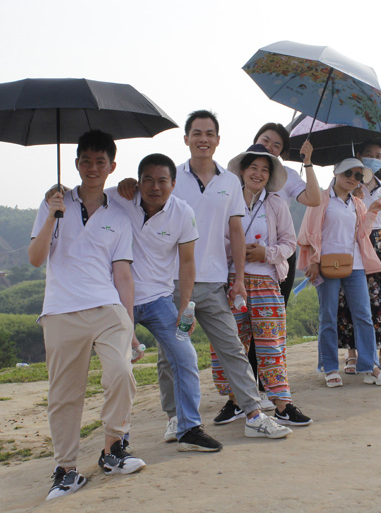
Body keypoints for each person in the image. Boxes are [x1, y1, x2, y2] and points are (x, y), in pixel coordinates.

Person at [118, 110, 291, 439]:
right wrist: (128, 185)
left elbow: (236, 231)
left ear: (218, 140)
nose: (203, 139)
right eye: (197, 133)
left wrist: (238, 278)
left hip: (212, 280)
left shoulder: (229, 181)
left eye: (209, 133)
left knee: (231, 347)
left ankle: (253, 414)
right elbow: (138, 195)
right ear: (186, 139)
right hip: (167, 282)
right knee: (171, 355)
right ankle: (175, 417)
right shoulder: (170, 177)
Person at [29, 131, 145, 501]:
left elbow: (123, 274)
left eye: (100, 162)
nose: (92, 168)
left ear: (111, 166)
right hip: (61, 309)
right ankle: (65, 470)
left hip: (107, 306)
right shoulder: (54, 204)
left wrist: (130, 327)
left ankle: (113, 448)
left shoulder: (119, 214)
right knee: (64, 395)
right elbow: (35, 258)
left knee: (122, 373)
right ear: (77, 164)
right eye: (86, 161)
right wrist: (52, 214)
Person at [107, 153, 222, 452]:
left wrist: (185, 305)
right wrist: (51, 194)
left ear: (173, 183)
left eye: (162, 180)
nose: (154, 187)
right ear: (138, 180)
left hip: (159, 299)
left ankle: (189, 429)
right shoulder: (121, 199)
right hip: (118, 300)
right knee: (120, 369)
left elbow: (187, 263)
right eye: (147, 179)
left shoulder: (183, 213)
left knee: (185, 357)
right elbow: (84, 198)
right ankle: (118, 440)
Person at [211, 144, 312, 426]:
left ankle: (282, 405)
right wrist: (239, 251)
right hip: (231, 281)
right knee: (231, 344)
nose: (258, 174)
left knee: (271, 344)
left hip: (266, 281)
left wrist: (265, 253)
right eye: (253, 168)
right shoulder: (226, 202)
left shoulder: (276, 204)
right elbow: (215, 240)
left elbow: (290, 244)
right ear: (242, 171)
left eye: (264, 170)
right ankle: (236, 402)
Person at [298, 157, 381, 388]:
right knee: (328, 316)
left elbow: (362, 233)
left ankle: (369, 366)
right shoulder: (320, 199)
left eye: (358, 176)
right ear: (336, 173)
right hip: (326, 263)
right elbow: (310, 231)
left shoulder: (357, 204)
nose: (353, 179)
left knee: (364, 316)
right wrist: (314, 260)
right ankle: (330, 367)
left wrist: (371, 213)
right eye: (348, 173)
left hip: (355, 264)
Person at [249, 123, 321, 409]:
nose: (269, 147)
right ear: (255, 139)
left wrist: (308, 163)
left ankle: (265, 387)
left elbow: (315, 199)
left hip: (279, 256)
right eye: (265, 140)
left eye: (277, 146)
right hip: (241, 258)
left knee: (268, 325)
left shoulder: (288, 176)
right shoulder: (239, 170)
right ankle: (240, 390)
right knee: (242, 327)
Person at [337, 141, 381, 374]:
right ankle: (351, 353)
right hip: (351, 242)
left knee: (380, 298)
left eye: (379, 155)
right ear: (358, 155)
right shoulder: (349, 182)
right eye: (369, 154)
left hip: (377, 243)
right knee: (349, 298)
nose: (374, 158)